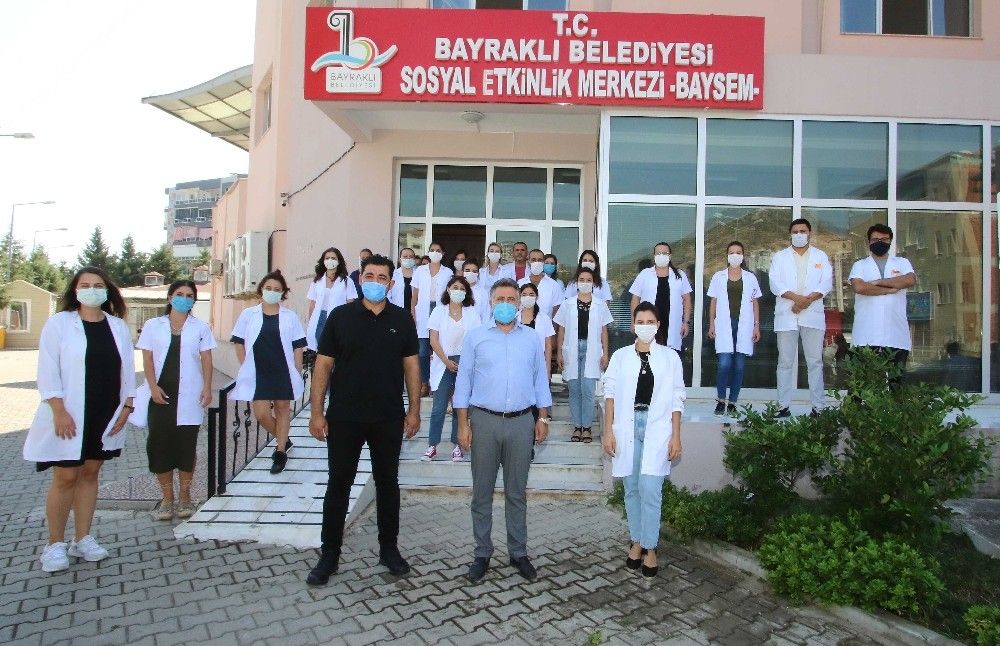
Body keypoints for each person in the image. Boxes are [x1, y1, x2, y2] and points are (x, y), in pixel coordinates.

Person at [306, 254, 421, 584]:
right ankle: (329, 555)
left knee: (388, 485)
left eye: (381, 278)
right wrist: (316, 412)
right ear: (360, 279)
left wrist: (414, 410)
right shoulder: (340, 317)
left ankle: (389, 550)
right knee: (338, 485)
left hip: (388, 417)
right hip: (345, 417)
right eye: (369, 276)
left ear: (391, 283)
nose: (374, 282)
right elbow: (323, 366)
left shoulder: (402, 319)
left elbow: (411, 367)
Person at [24, 267, 136, 573]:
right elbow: (48, 371)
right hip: (70, 413)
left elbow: (127, 370)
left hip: (106, 411)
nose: (92, 290)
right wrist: (58, 410)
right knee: (65, 477)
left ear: (107, 291)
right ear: (75, 291)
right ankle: (54, 545)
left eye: (98, 285)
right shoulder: (59, 324)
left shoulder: (117, 326)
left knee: (90, 473)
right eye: (85, 285)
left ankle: (82, 538)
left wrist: (127, 407)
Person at [454, 278, 552, 583]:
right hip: (484, 421)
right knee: (481, 492)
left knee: (517, 492)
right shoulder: (475, 337)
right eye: (501, 299)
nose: (506, 304)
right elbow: (464, 382)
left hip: (522, 422)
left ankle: (518, 552)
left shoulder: (531, 338)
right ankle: (482, 553)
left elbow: (540, 379)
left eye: (512, 299)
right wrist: (462, 424)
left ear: (520, 303)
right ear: (491, 302)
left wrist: (543, 418)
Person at [602, 302, 685, 578]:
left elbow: (677, 399)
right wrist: (608, 431)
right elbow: (610, 394)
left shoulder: (670, 358)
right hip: (627, 427)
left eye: (651, 321)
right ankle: (636, 541)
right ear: (633, 325)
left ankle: (651, 547)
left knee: (651, 489)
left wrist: (676, 436)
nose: (645, 326)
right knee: (632, 488)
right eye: (641, 321)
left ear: (658, 325)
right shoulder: (621, 357)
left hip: (657, 428)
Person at [131, 280, 216, 520]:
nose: (184, 299)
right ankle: (167, 498)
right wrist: (152, 386)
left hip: (190, 394)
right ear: (169, 297)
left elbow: (207, 359)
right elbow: (147, 359)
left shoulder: (200, 327)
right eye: (179, 294)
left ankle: (185, 497)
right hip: (161, 395)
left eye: (189, 295)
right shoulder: (153, 325)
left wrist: (207, 387)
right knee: (159, 445)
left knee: (186, 446)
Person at [230, 270, 307, 474]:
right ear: (261, 289)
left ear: (283, 293)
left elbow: (298, 346)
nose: (272, 292)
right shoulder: (248, 314)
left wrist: (297, 371)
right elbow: (238, 341)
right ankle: (284, 438)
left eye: (277, 289)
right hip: (259, 371)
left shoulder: (290, 317)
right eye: (268, 288)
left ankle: (280, 452)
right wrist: (245, 365)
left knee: (282, 409)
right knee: (262, 414)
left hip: (283, 369)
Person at [768, 218, 832, 417]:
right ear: (790, 234)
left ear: (809, 233)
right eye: (795, 231)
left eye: (802, 231)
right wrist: (797, 299)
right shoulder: (780, 257)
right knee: (785, 362)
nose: (799, 234)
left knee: (815, 362)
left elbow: (826, 283)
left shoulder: (821, 256)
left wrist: (805, 302)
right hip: (787, 315)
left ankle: (818, 407)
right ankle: (783, 406)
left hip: (813, 315)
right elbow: (775, 283)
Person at [425, 275, 482, 462]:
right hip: (442, 362)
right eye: (455, 287)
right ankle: (432, 445)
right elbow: (433, 340)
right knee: (439, 407)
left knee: (460, 406)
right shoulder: (438, 311)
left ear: (466, 293)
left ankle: (457, 445)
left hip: (464, 363)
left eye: (462, 289)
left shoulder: (472, 313)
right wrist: (445, 360)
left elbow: (476, 340)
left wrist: (466, 363)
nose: (458, 291)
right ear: (448, 289)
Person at [554, 268, 613, 443]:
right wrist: (560, 352)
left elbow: (604, 330)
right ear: (576, 282)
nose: (585, 283)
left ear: (593, 283)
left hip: (591, 349)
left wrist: (605, 353)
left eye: (588, 280)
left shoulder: (600, 304)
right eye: (582, 279)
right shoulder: (567, 304)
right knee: (574, 390)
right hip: (571, 348)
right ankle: (577, 426)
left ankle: (586, 427)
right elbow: (562, 329)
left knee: (587, 389)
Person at [848, 224, 916, 370]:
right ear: (869, 242)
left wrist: (877, 282)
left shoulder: (902, 263)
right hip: (866, 334)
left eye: (884, 239)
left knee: (896, 381)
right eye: (875, 239)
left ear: (890, 241)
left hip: (896, 334)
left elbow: (909, 280)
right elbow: (859, 287)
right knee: (865, 381)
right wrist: (889, 289)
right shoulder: (860, 265)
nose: (880, 242)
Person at [707, 242, 762, 416]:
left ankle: (732, 402)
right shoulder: (718, 276)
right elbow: (713, 301)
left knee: (739, 366)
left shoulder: (750, 277)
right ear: (727, 255)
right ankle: (721, 400)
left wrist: (756, 326)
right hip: (724, 324)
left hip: (744, 325)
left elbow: (755, 302)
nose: (735, 255)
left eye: (738, 252)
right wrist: (711, 323)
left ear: (743, 255)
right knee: (724, 364)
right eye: (732, 252)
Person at [629, 242, 693, 350]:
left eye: (664, 253)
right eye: (658, 253)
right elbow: (635, 298)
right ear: (654, 256)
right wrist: (634, 320)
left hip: (672, 325)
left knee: (670, 354)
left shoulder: (679, 275)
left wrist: (686, 322)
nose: (661, 256)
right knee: (648, 351)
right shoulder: (645, 274)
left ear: (670, 256)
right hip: (649, 322)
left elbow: (687, 299)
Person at [411, 241, 453, 397]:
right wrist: (413, 313)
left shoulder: (448, 272)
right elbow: (414, 295)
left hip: (440, 309)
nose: (435, 252)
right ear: (428, 252)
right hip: (422, 310)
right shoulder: (419, 271)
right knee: (422, 351)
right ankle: (424, 382)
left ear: (443, 253)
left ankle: (438, 384)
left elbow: (449, 295)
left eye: (438, 250)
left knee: (439, 349)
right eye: (432, 250)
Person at [304, 247, 358, 352]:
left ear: (339, 261)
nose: (330, 260)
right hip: (319, 319)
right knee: (320, 349)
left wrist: (349, 324)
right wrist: (310, 323)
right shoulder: (317, 281)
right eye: (327, 258)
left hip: (339, 319)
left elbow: (350, 304)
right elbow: (312, 304)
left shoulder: (347, 281)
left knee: (336, 349)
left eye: (333, 258)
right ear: (323, 261)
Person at [518, 282, 555, 381]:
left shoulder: (544, 318)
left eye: (531, 295)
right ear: (520, 297)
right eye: (524, 295)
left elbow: (548, 346)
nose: (528, 297)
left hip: (538, 363)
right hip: (517, 363)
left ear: (537, 297)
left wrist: (548, 369)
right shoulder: (514, 318)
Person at [517, 248, 562, 320]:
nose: (536, 263)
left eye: (539, 260)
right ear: (528, 262)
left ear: (543, 262)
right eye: (533, 260)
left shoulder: (554, 285)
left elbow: (557, 309)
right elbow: (516, 305)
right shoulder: (520, 283)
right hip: (523, 325)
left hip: (545, 325)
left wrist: (553, 326)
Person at [388, 247, 417, 312]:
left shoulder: (419, 274)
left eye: (411, 257)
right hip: (397, 312)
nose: (408, 259)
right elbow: (388, 295)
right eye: (405, 256)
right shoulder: (393, 275)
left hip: (415, 313)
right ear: (400, 259)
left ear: (414, 259)